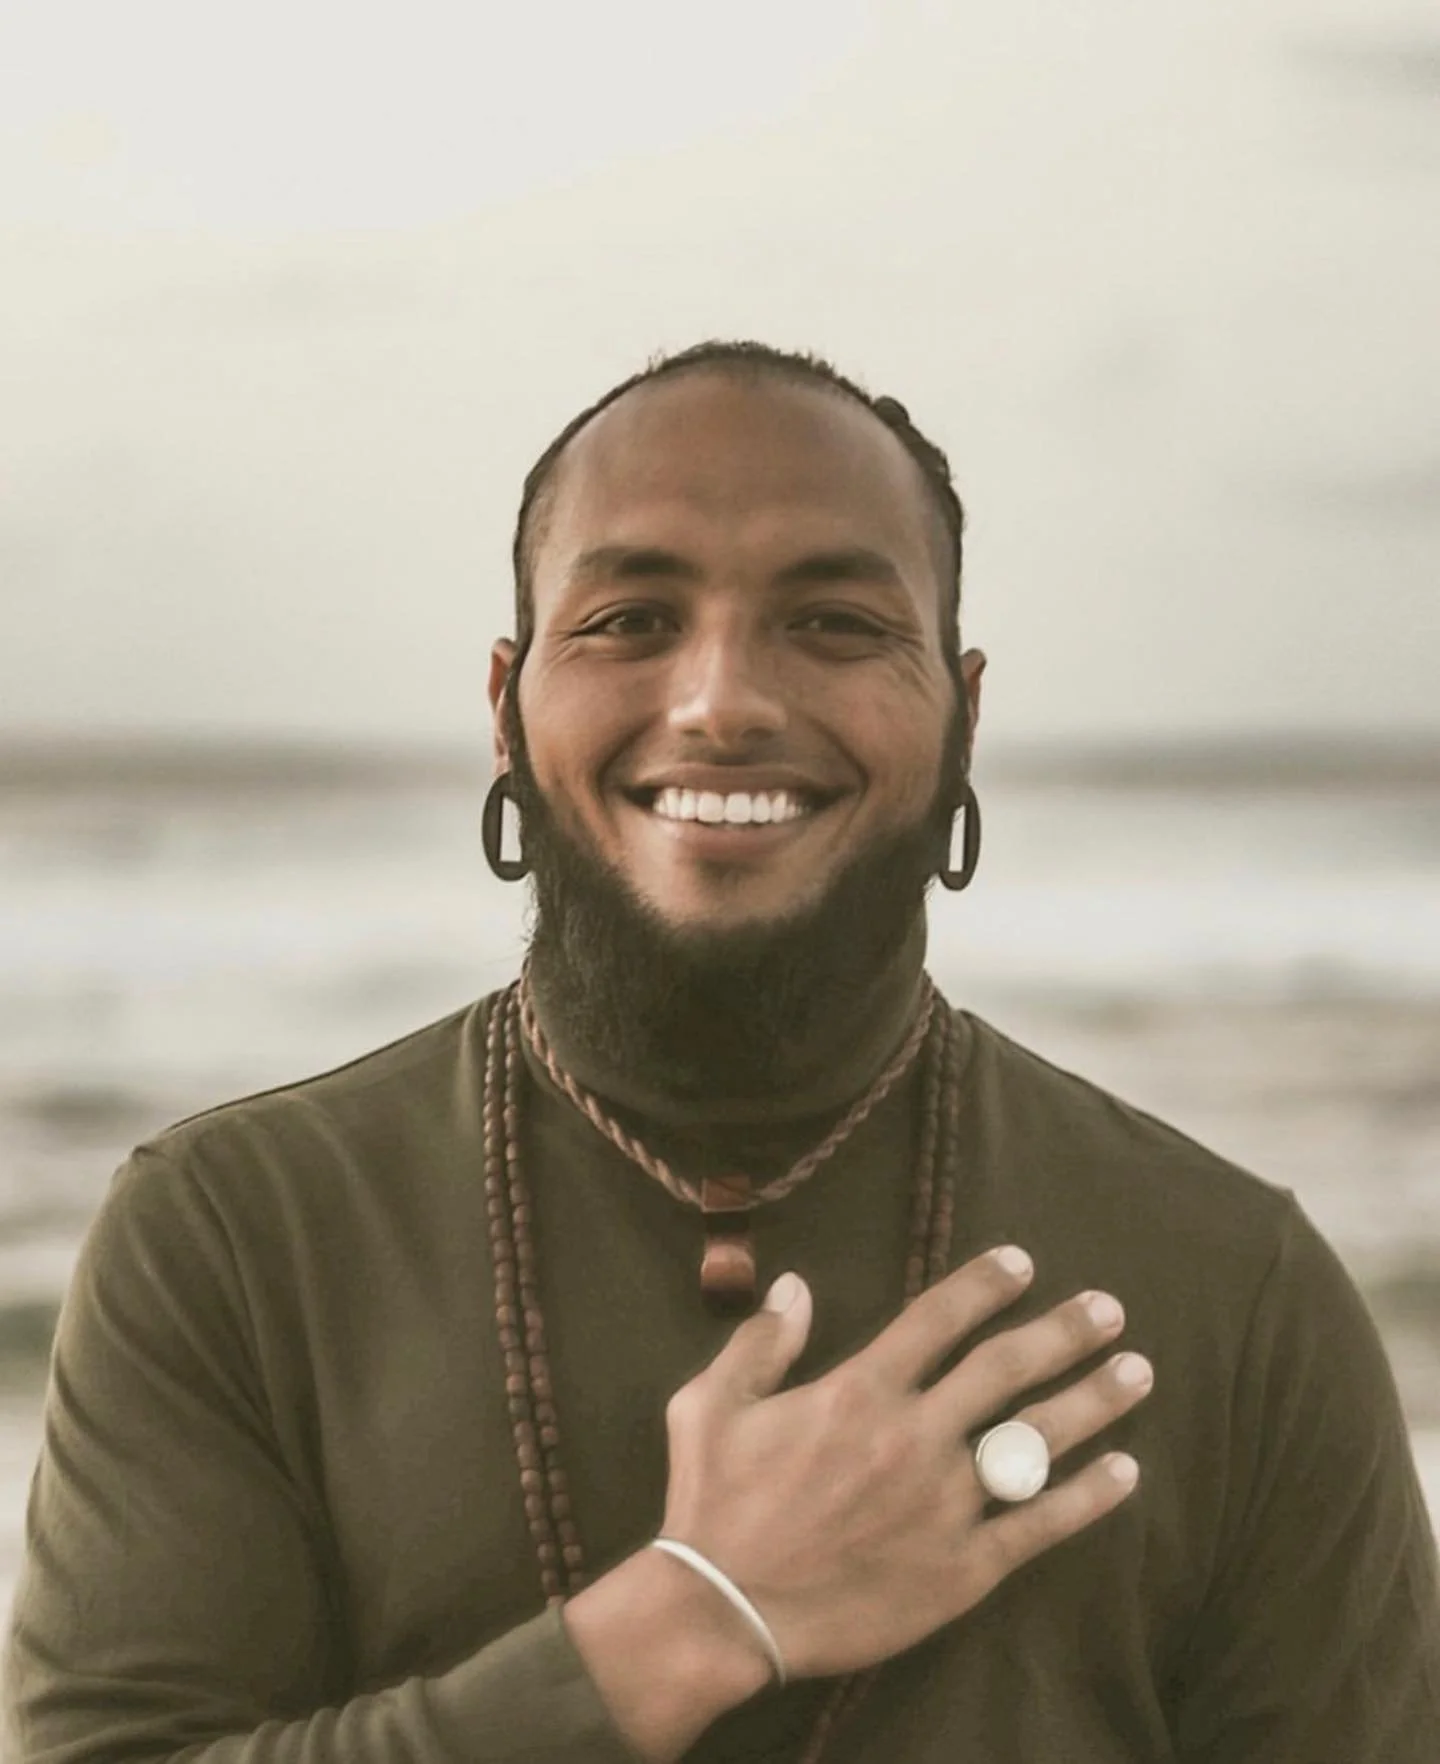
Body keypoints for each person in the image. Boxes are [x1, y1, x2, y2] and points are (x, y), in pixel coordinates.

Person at [5, 340, 1438, 1764]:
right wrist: (688, 1624)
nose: (722, 702)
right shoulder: (233, 1238)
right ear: (504, 705)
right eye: (630, 618)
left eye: (832, 623)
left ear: (966, 715)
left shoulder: (1235, 1290)